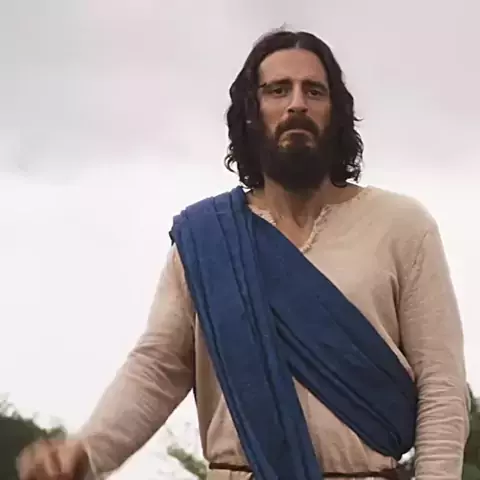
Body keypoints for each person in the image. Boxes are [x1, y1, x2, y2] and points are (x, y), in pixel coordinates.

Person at [17, 29, 469, 480]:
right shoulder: (208, 241)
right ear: (252, 113)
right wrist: (87, 451)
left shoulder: (401, 226)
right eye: (278, 90)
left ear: (336, 114)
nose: (297, 104)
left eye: (314, 91)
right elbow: (157, 368)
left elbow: (442, 386)